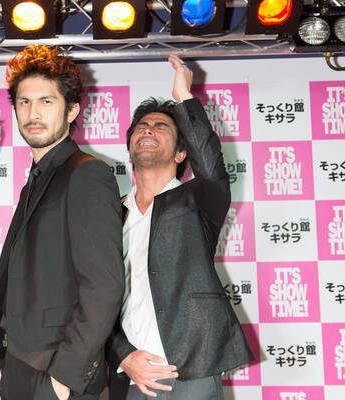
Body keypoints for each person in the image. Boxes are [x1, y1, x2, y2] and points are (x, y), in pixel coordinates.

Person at [106, 55, 254, 400]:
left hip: (192, 369)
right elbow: (95, 297)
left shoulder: (199, 200)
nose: (148, 129)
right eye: (142, 126)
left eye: (161, 127)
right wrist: (122, 355)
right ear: (129, 151)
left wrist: (184, 97)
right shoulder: (108, 215)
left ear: (180, 154)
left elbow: (211, 164)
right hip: (131, 375)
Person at [0, 45, 125, 400]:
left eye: (46, 101)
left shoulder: (87, 174)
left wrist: (63, 380)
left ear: (72, 109)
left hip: (57, 374)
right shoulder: (37, 180)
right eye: (24, 102)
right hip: (20, 366)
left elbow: (104, 287)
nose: (33, 113)